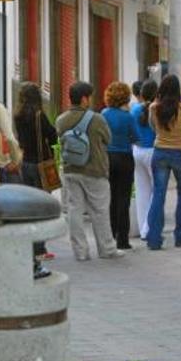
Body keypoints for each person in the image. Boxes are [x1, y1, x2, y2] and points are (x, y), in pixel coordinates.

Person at [56, 81, 124, 261]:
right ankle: (107, 249)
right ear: (84, 99)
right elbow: (107, 139)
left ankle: (81, 251)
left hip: (71, 169)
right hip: (95, 169)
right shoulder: (97, 119)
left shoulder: (61, 120)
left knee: (74, 209)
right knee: (100, 210)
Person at [147, 74, 181, 250]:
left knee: (158, 195)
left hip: (159, 152)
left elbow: (153, 128)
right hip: (179, 153)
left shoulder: (154, 107)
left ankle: (154, 239)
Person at [13, 82, 58, 258]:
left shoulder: (17, 116)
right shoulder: (39, 116)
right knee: (42, 206)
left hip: (26, 163)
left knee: (29, 205)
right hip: (40, 164)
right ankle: (39, 247)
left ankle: (29, 245)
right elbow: (53, 136)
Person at [102, 82, 139, 250]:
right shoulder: (128, 117)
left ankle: (110, 234)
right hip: (125, 157)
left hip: (108, 157)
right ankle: (122, 240)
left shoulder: (104, 114)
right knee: (124, 198)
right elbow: (136, 137)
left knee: (110, 196)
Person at [131, 79, 157, 241]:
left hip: (137, 150)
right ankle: (150, 226)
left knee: (142, 191)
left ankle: (143, 229)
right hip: (153, 151)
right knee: (157, 190)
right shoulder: (157, 109)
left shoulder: (134, 109)